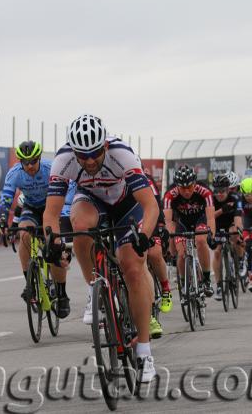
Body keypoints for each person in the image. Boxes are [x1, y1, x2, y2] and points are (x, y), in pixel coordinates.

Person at [43, 114, 159, 382]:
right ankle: (95, 284)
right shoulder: (63, 161)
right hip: (92, 200)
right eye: (83, 156)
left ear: (104, 146)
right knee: (80, 225)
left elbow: (150, 205)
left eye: (95, 153)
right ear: (74, 152)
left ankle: (143, 350)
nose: (90, 160)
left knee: (132, 268)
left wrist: (143, 236)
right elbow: (51, 213)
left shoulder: (122, 154)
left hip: (126, 204)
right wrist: (54, 241)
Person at [0, 141, 72, 319]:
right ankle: (30, 283)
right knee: (24, 234)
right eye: (26, 162)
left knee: (54, 246)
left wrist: (65, 214)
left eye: (33, 161)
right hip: (31, 208)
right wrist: (2, 221)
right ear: (20, 162)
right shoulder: (15, 173)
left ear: (39, 158)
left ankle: (62, 294)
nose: (30, 166)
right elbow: (6, 198)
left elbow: (67, 190)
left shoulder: (49, 168)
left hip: (51, 207)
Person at [163, 166, 216, 297]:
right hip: (181, 222)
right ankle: (183, 283)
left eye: (190, 187)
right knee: (181, 253)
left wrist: (212, 235)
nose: (187, 191)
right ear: (177, 186)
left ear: (195, 183)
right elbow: (168, 222)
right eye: (182, 188)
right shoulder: (170, 195)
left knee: (200, 240)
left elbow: (210, 217)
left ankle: (207, 279)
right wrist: (170, 237)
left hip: (200, 220)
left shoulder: (205, 192)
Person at [209, 174, 244, 300]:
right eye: (217, 191)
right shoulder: (211, 199)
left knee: (235, 235)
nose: (219, 194)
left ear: (228, 189)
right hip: (217, 225)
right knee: (217, 252)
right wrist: (221, 210)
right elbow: (209, 218)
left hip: (232, 222)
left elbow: (238, 218)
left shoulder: (235, 198)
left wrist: (239, 232)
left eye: (222, 191)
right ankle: (219, 286)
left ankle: (240, 261)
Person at [145, 172, 171, 339]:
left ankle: (166, 289)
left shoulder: (145, 179)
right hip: (125, 220)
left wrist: (161, 226)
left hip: (148, 218)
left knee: (154, 253)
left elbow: (156, 205)